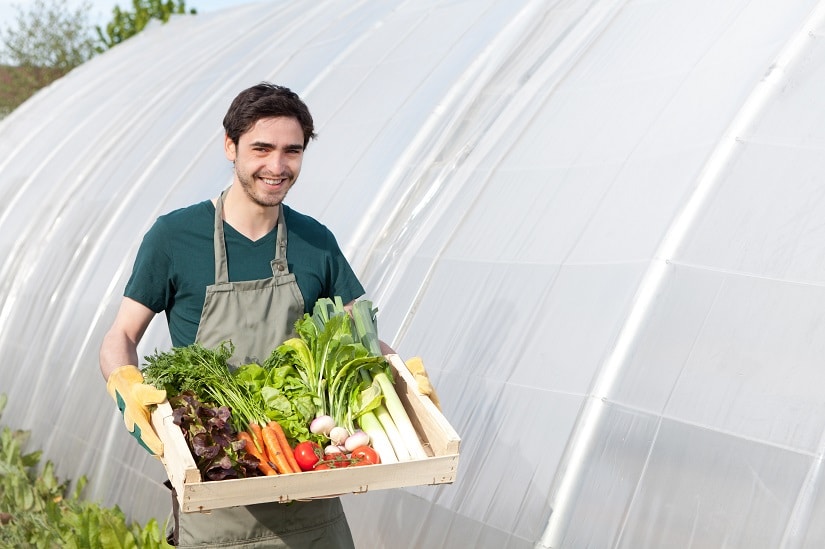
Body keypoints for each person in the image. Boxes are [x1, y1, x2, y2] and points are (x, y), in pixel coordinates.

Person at [99, 82, 367, 548]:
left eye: (292, 151)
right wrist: (129, 387)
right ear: (230, 147)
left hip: (310, 487)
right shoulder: (175, 237)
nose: (277, 166)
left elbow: (361, 337)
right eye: (261, 148)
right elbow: (121, 333)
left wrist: (404, 378)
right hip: (216, 489)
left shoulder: (316, 241)